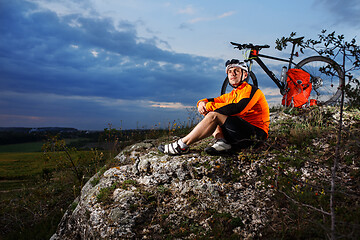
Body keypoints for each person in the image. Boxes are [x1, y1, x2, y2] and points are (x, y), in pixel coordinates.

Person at [158, 59, 270, 155]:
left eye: (236, 71)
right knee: (213, 111)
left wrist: (209, 106)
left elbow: (238, 109)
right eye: (229, 72)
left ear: (245, 75)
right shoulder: (231, 95)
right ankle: (221, 142)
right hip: (239, 134)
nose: (232, 74)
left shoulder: (252, 90)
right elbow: (209, 100)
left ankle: (181, 145)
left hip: (256, 136)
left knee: (214, 114)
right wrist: (201, 103)